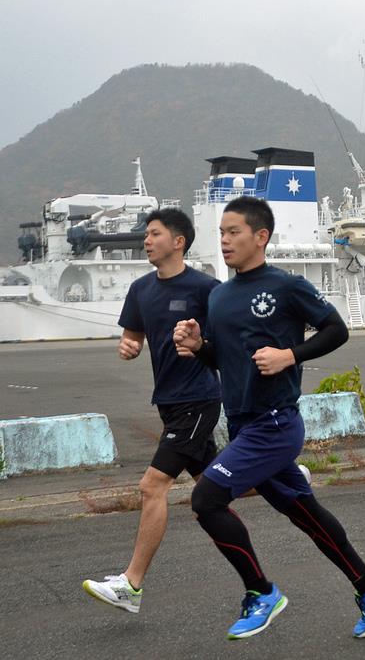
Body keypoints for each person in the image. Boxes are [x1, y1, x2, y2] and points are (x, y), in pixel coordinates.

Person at [173, 196, 365, 640]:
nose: (224, 240)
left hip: (275, 424)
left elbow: (337, 330)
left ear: (261, 236)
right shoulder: (218, 296)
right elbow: (226, 361)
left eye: (233, 231)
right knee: (305, 513)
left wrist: (289, 355)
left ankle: (261, 592)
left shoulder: (286, 286)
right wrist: (199, 348)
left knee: (206, 499)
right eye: (221, 232)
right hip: (241, 422)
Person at [81, 208, 222, 613]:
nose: (146, 240)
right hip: (168, 401)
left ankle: (132, 584)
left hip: (198, 400)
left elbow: (223, 341)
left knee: (152, 486)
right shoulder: (141, 289)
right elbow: (133, 337)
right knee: (218, 482)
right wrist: (128, 348)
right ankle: (279, 471)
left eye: (154, 234)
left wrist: (201, 345)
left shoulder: (205, 288)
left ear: (178, 242)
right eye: (146, 234)